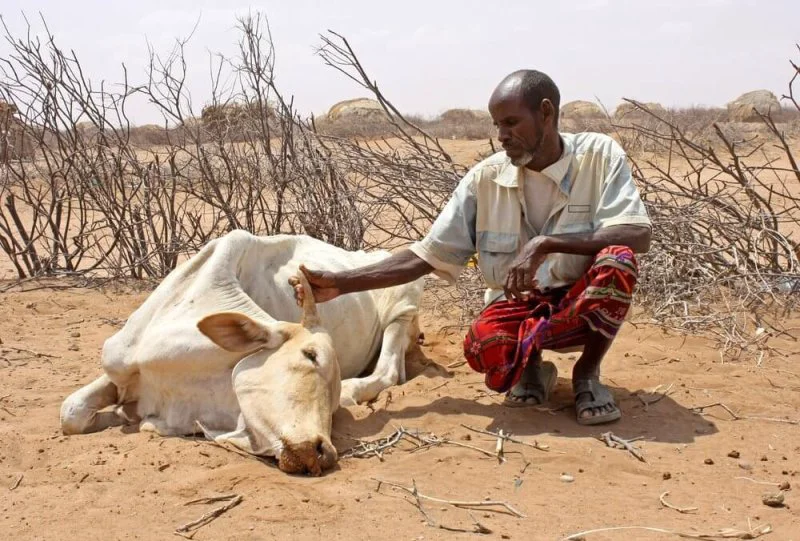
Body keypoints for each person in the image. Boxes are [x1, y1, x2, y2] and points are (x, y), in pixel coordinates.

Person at [292, 69, 652, 425]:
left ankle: (586, 374)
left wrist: (547, 243)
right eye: (497, 125)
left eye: (511, 123)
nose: (502, 136)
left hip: (579, 300)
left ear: (546, 112)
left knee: (617, 260)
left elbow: (637, 234)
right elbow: (426, 255)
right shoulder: (485, 178)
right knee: (484, 347)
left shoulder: (599, 156)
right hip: (520, 305)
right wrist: (341, 284)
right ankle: (531, 369)